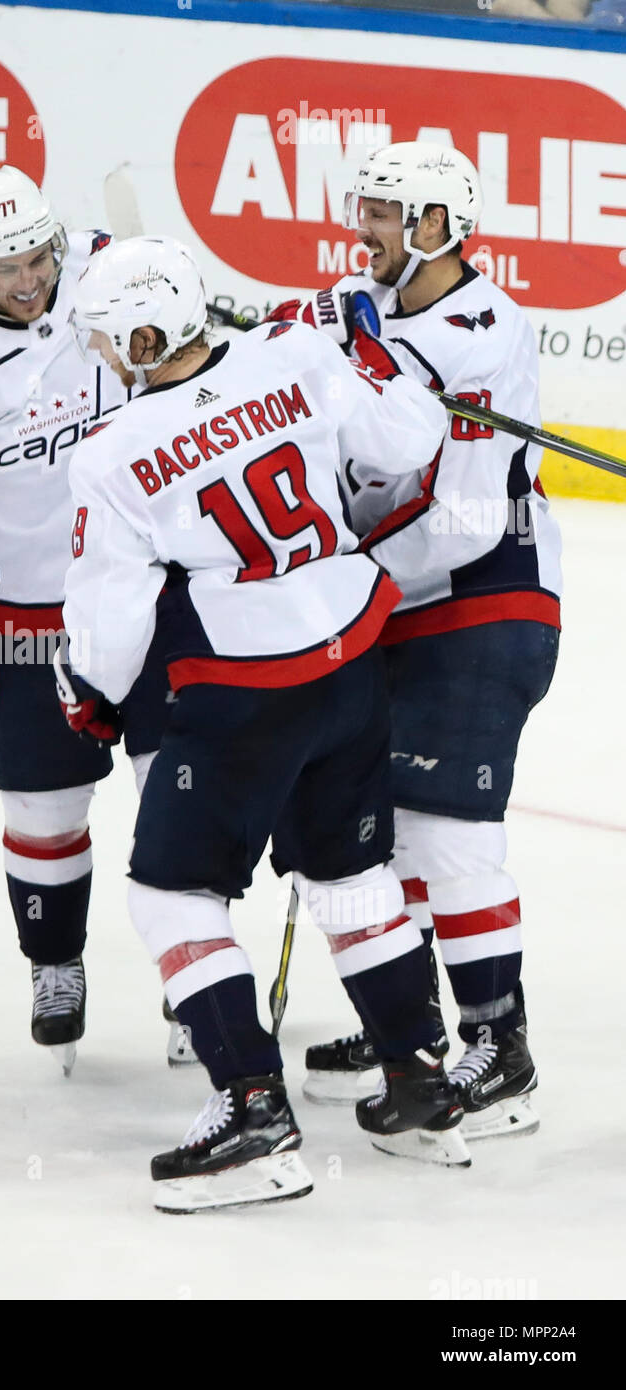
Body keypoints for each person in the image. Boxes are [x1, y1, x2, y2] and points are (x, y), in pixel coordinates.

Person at [54, 235, 462, 1212]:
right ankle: (417, 1079)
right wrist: (362, 346)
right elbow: (410, 440)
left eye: (112, 342)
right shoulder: (293, 354)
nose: (105, 359)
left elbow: (109, 620)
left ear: (146, 335)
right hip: (350, 651)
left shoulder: (110, 455)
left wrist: (90, 693)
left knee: (171, 893)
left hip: (242, 689)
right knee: (349, 873)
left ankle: (251, 1114)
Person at [281, 144, 561, 1141]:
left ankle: (501, 1048)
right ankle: (416, 1027)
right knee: (388, 823)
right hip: (389, 596)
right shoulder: (349, 303)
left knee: (447, 830)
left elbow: (466, 523)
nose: (362, 227)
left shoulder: (487, 332)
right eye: (361, 206)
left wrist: (340, 574)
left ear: (440, 227)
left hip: (485, 594)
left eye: (384, 213)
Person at [0, 166, 171, 1073]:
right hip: (29, 619)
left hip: (161, 595)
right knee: (42, 808)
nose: (27, 280)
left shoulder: (111, 270)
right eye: (2, 265)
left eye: (37, 256)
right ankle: (55, 965)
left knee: (181, 793)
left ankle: (190, 975)